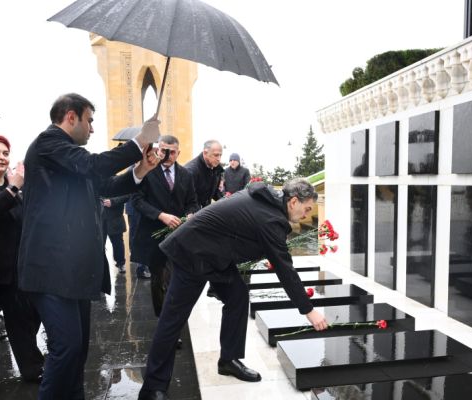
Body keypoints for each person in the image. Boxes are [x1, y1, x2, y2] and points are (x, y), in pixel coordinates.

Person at [17, 93, 161, 400]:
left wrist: (141, 170)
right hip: (49, 269)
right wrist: (139, 141)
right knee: (66, 348)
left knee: (78, 351)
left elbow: (106, 184)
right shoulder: (48, 143)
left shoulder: (70, 159)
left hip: (72, 271)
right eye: (89, 120)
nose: (92, 128)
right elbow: (94, 165)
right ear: (71, 117)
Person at [138, 178, 328, 400]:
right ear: (293, 201)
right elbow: (285, 270)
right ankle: (153, 387)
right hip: (192, 253)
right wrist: (309, 310)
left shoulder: (267, 203)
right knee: (173, 320)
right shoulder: (270, 218)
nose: (306, 214)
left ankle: (228, 360)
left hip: (216, 255)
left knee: (237, 297)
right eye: (307, 209)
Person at [131, 135, 198, 318]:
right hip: (154, 236)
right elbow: (137, 201)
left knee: (176, 278)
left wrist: (190, 214)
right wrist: (161, 215)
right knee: (158, 278)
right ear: (158, 150)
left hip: (178, 235)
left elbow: (192, 202)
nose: (168, 155)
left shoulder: (186, 174)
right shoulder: (147, 171)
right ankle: (162, 318)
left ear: (178, 153)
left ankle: (174, 316)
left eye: (172, 152)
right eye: (163, 151)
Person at [0, 135, 44, 383]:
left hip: (19, 267)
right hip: (2, 271)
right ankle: (32, 367)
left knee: (29, 316)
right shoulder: (12, 189)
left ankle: (32, 364)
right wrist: (12, 188)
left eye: (5, 153)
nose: (1, 157)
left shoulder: (15, 189)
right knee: (18, 321)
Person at [184, 139, 224, 209]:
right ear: (205, 153)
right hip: (192, 212)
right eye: (216, 155)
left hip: (205, 210)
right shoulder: (191, 171)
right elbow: (187, 198)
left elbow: (215, 192)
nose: (219, 159)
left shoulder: (217, 169)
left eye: (220, 155)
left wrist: (227, 201)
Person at [102, 194, 129, 274]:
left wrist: (113, 201)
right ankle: (101, 265)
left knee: (118, 243)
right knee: (99, 245)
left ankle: (121, 263)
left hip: (115, 217)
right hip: (100, 217)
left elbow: (127, 195)